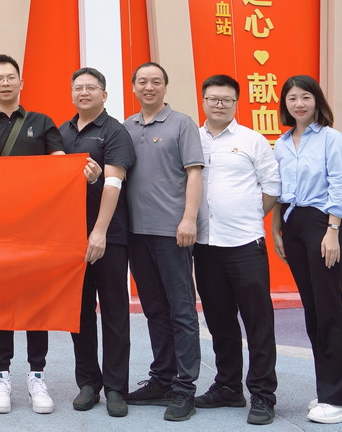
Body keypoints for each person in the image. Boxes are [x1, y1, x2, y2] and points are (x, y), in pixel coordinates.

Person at [0, 53, 68, 415]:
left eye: (11, 77)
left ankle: (37, 375)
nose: (6, 82)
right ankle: (2, 375)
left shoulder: (42, 123)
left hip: (37, 228)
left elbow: (60, 165)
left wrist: (76, 167)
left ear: (21, 83)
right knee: (3, 303)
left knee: (36, 303)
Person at [271, 75, 342, 425]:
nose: (299, 104)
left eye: (305, 97)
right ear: (285, 103)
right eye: (292, 98)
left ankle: (341, 402)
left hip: (323, 223)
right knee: (313, 311)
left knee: (329, 310)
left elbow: (339, 184)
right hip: (293, 225)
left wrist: (333, 231)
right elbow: (279, 189)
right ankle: (335, 389)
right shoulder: (281, 143)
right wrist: (276, 229)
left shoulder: (330, 138)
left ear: (317, 100)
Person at [193, 75, 281, 425]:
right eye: (213, 99)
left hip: (245, 244)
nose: (219, 105)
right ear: (203, 101)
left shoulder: (252, 140)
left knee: (258, 323)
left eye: (226, 100)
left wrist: (248, 215)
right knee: (220, 322)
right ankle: (228, 387)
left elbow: (272, 185)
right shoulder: (192, 138)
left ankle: (263, 394)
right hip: (205, 246)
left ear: (236, 103)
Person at [123, 61, 203, 422]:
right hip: (137, 235)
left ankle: (185, 388)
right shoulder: (127, 126)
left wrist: (188, 219)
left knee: (181, 311)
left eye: (156, 81)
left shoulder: (182, 124)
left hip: (173, 233)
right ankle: (162, 379)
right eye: (142, 81)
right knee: (154, 310)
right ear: (134, 87)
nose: (149, 87)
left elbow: (194, 173)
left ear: (165, 87)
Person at [59, 67, 136, 419]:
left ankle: (116, 387)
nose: (84, 92)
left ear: (104, 95)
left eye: (91, 87)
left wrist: (100, 231)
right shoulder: (62, 132)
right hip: (71, 238)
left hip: (110, 236)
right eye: (78, 87)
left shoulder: (114, 131)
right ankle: (88, 382)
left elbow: (114, 183)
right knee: (80, 313)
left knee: (115, 311)